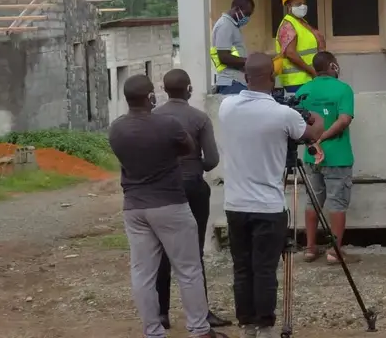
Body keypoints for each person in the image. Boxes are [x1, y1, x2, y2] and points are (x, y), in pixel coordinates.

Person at [108, 75, 227, 338]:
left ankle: (153, 330)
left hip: (134, 207)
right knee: (188, 267)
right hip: (170, 204)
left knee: (142, 272)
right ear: (150, 96)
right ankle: (198, 328)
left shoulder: (116, 128)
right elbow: (189, 148)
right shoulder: (168, 125)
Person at [219, 53, 325, 338]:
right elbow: (314, 132)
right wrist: (310, 116)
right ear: (273, 79)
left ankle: (247, 326)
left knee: (242, 269)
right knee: (264, 269)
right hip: (268, 206)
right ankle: (265, 327)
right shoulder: (284, 115)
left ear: (245, 78)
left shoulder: (226, 107)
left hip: (235, 204)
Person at [152, 69, 232, 329]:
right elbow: (211, 160)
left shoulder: (153, 117)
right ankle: (202, 313)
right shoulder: (198, 118)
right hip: (192, 187)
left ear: (164, 89)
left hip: (160, 190)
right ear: (188, 89)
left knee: (161, 250)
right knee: (193, 252)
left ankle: (161, 313)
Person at [295, 51, 357, 264]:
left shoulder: (304, 90)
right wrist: (324, 137)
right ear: (332, 66)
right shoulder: (343, 89)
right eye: (337, 64)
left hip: (311, 158)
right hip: (338, 157)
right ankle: (334, 252)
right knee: (337, 203)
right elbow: (344, 120)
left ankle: (310, 249)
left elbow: (297, 123)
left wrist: (314, 141)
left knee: (313, 201)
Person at [274, 0, 326, 94]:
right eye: (298, 4)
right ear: (288, 6)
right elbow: (291, 53)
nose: (303, 7)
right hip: (297, 81)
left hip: (306, 79)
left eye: (304, 3)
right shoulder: (288, 25)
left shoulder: (301, 22)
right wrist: (312, 71)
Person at [210, 0, 255, 95]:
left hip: (236, 81)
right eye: (246, 14)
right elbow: (224, 56)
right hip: (230, 83)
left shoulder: (232, 26)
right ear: (236, 9)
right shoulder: (225, 25)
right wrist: (249, 62)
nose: (247, 18)